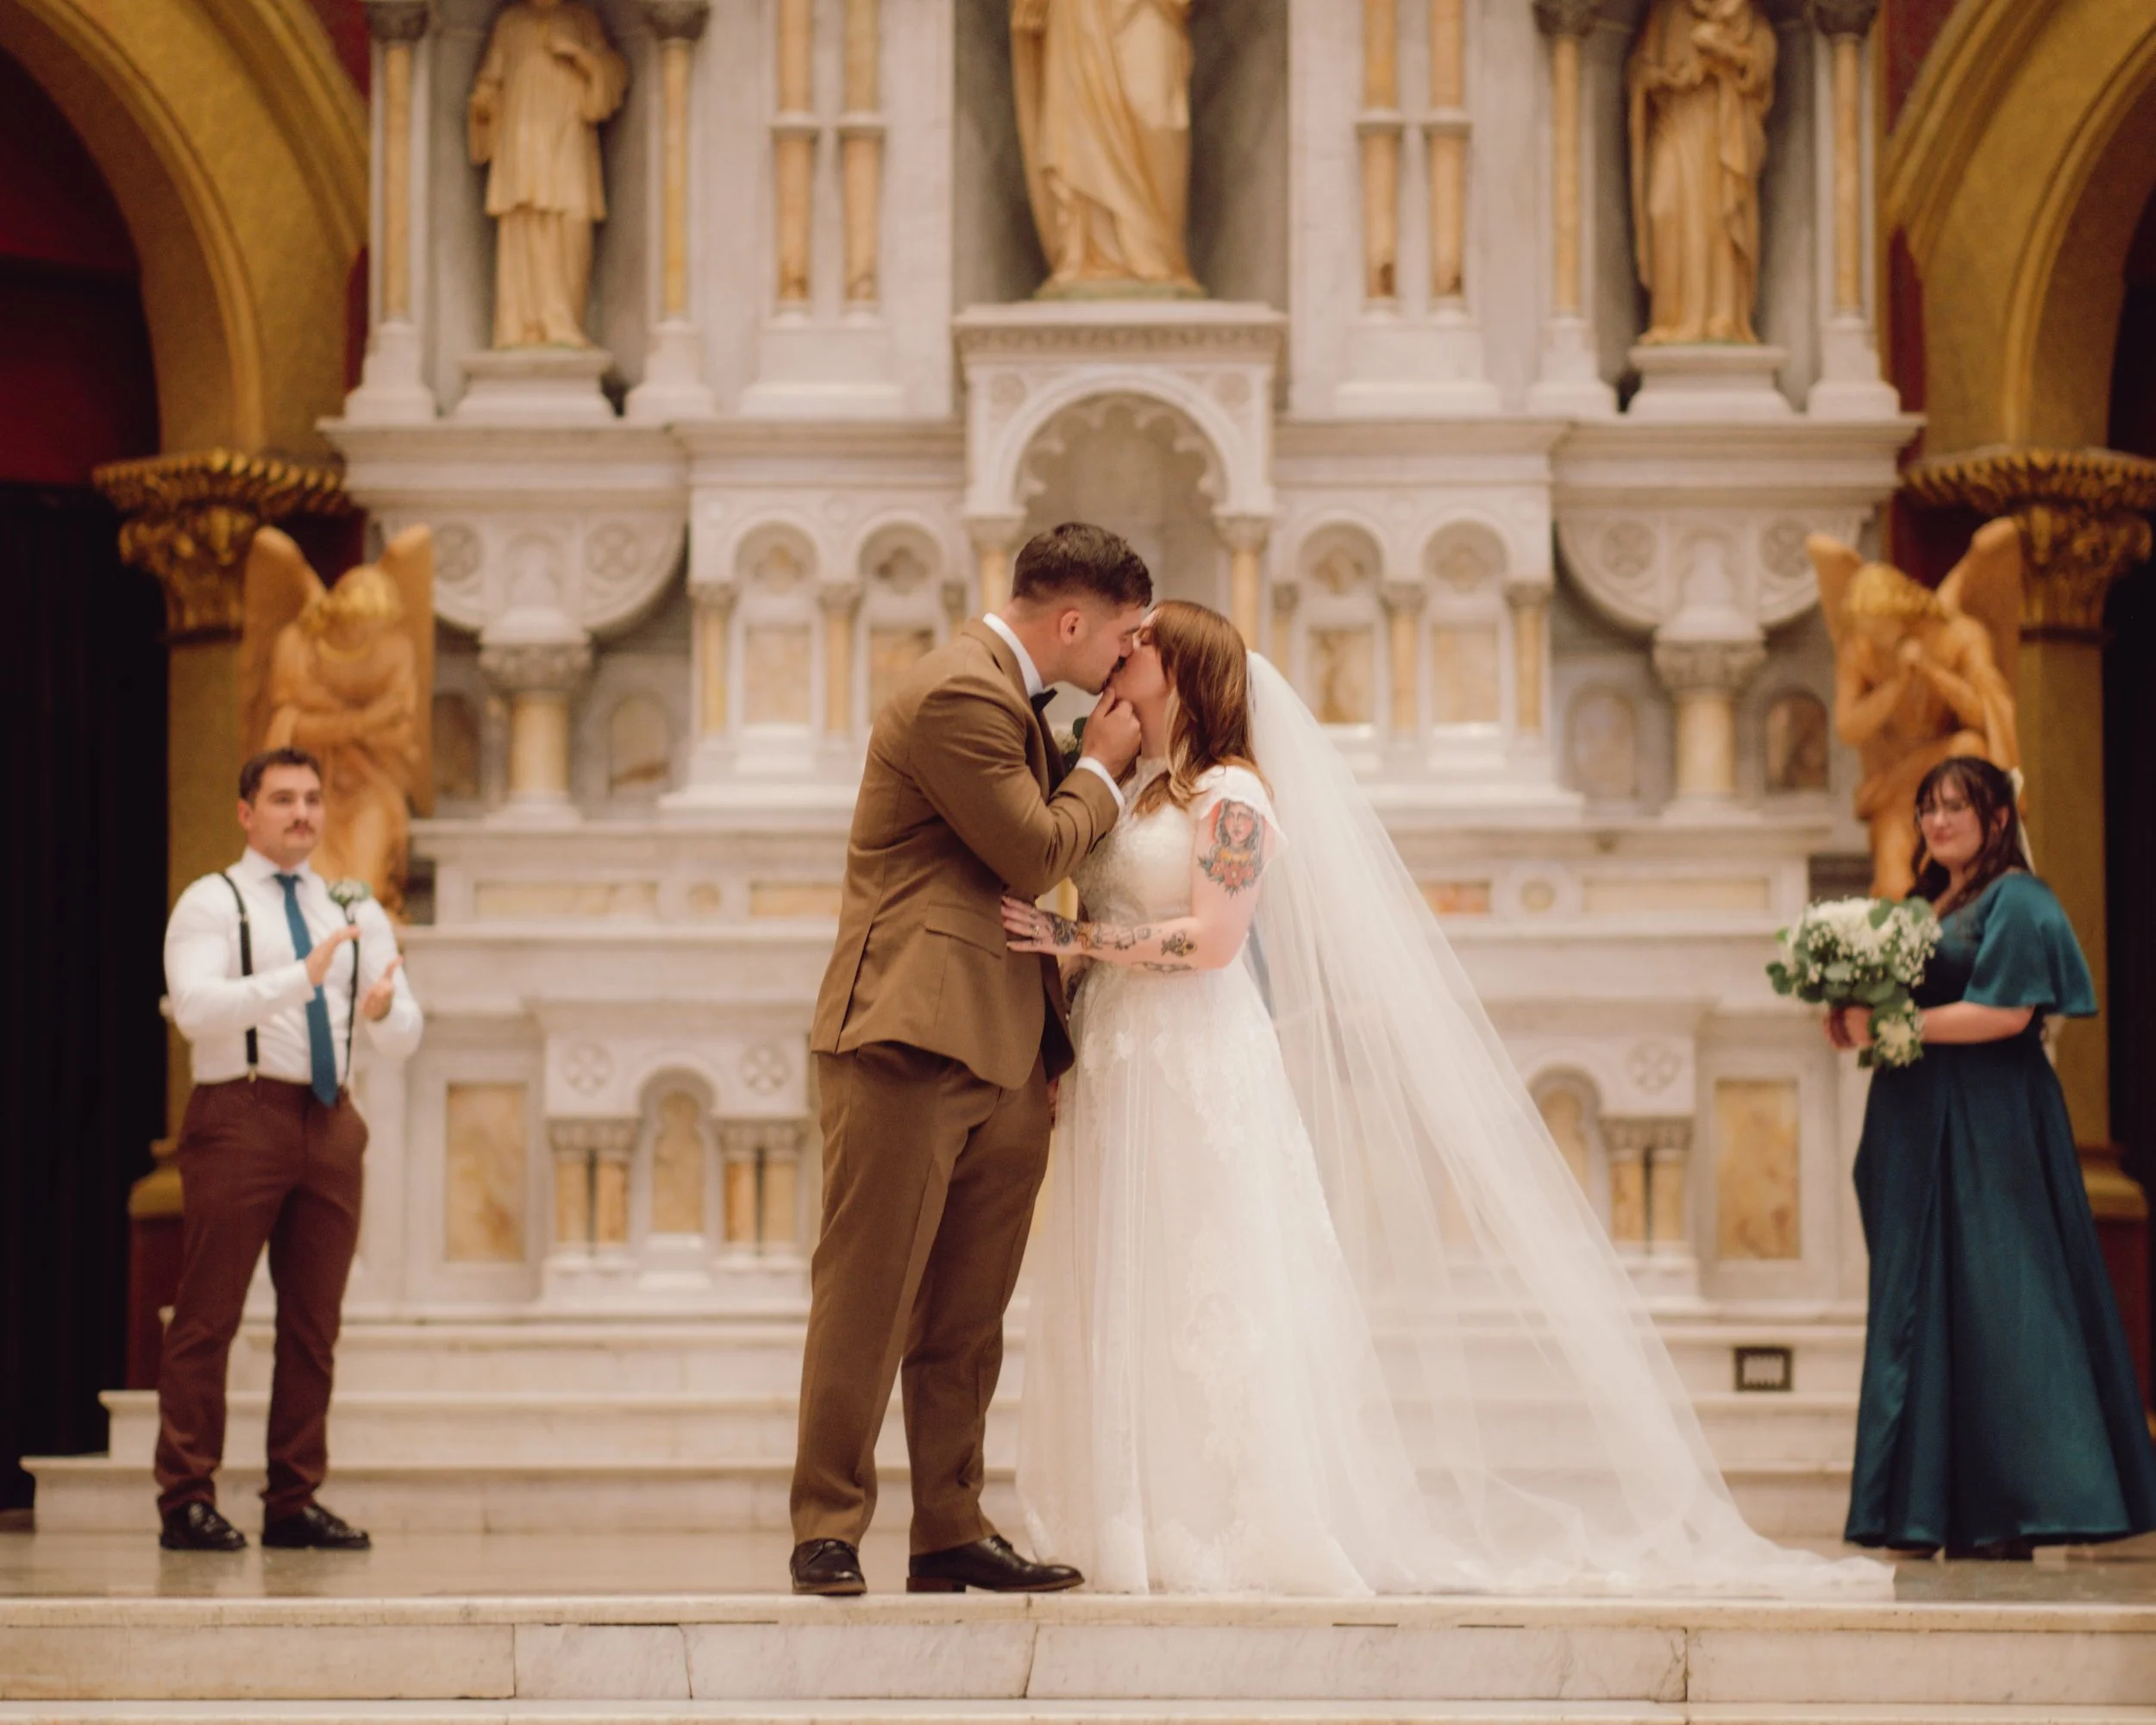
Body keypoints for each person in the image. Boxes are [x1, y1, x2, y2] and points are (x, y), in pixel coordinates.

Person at [1004, 601, 1886, 1596]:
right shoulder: (1126, 784)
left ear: (1190, 671)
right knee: (1124, 1270)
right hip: (1118, 1055)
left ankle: (1221, 1517)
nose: (1120, 657)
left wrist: (1082, 943)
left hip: (1194, 1058)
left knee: (1207, 1279)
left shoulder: (1234, 794)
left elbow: (1216, 942)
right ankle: (1121, 1504)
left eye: (1142, 646)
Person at [790, 522, 1149, 1596]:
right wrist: (1104, 766)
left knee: (967, 1308)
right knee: (869, 1290)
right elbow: (1035, 849)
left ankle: (949, 1522)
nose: (1126, 658)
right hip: (908, 1027)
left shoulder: (1011, 698)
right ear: (1072, 621)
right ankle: (827, 1522)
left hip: (1003, 1037)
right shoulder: (960, 689)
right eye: (1122, 634)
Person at [1830, 755, 2156, 1558]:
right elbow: (1896, 1003)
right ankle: (1923, 1510)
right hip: (1916, 1118)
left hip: (1990, 1120)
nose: (1937, 823)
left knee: (1998, 1299)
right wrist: (1848, 1012)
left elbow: (2008, 1015)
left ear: (1999, 819)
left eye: (1956, 808)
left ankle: (2012, 1505)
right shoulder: (1917, 904)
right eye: (1928, 810)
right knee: (1923, 1299)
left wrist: (1897, 1030)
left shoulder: (2020, 899)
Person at [154, 747, 423, 1552]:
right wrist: (299, 979)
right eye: (282, 799)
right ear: (247, 813)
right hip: (240, 1114)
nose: (302, 813)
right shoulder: (213, 902)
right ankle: (185, 1499)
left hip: (329, 1119)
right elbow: (194, 1009)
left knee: (314, 1323)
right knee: (208, 1315)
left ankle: (293, 1498)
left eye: (311, 799)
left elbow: (405, 1034)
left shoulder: (354, 906)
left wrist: (379, 1010)